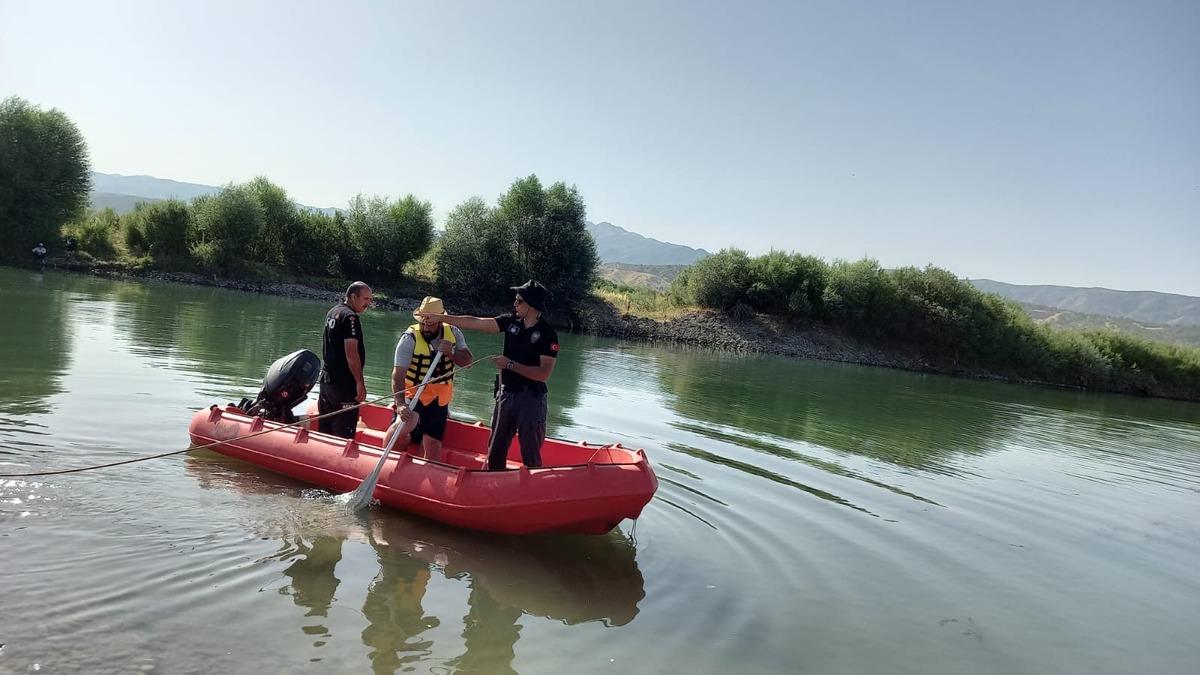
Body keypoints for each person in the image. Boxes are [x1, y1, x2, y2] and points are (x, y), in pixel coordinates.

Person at [416, 280, 559, 470]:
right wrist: (442, 318)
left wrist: (509, 364)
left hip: (531, 399)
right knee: (496, 448)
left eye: (519, 301)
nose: (514, 304)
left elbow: (543, 374)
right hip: (506, 395)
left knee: (530, 450)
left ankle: (531, 487)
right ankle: (492, 484)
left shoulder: (548, 334)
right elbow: (476, 322)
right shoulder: (510, 321)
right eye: (515, 300)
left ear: (531, 305)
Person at [389, 296, 474, 460]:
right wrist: (399, 404)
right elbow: (398, 374)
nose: (426, 326)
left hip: (439, 398)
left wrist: (452, 352)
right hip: (413, 395)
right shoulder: (409, 338)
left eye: (431, 322)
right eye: (423, 322)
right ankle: (389, 462)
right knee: (405, 425)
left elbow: (468, 361)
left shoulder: (454, 333)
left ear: (440, 320)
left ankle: (428, 474)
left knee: (433, 443)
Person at [318, 281, 372, 439]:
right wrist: (359, 383)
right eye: (365, 299)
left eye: (370, 299)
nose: (368, 303)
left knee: (326, 429)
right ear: (353, 297)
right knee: (343, 433)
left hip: (327, 382)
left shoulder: (333, 312)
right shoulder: (350, 318)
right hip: (344, 385)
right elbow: (351, 353)